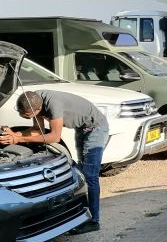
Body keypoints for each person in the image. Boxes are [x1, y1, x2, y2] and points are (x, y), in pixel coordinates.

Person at [0, 90, 109, 234]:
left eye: (26, 115)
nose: (23, 116)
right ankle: (80, 213)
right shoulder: (33, 98)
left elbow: (54, 137)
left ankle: (94, 221)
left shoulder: (53, 104)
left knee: (90, 176)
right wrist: (15, 134)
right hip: (82, 129)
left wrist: (20, 139)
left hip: (96, 128)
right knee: (82, 171)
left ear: (38, 109)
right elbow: (36, 131)